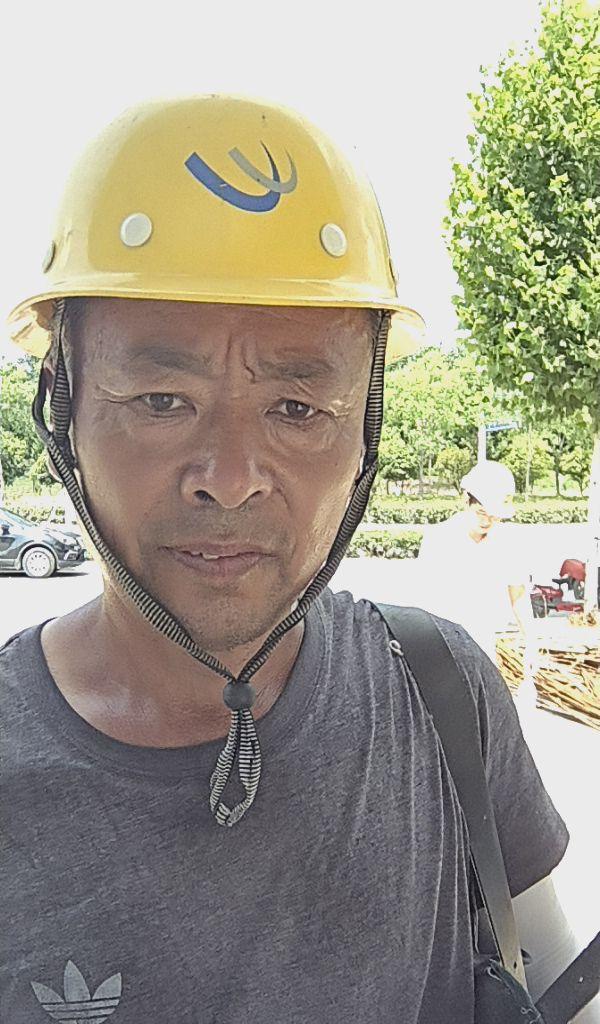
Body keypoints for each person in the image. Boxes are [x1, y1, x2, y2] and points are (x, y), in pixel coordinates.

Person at [1, 96, 596, 1024]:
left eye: (296, 408)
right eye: (161, 400)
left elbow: (555, 982)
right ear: (63, 407)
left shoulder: (443, 694)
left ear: (366, 429)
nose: (231, 478)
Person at [416, 460, 535, 665]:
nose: (486, 521)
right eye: (481, 512)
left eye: (493, 516)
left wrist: (531, 640)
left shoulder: (508, 543)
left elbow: (518, 597)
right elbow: (424, 604)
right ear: (466, 500)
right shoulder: (439, 540)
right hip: (444, 648)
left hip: (484, 648)